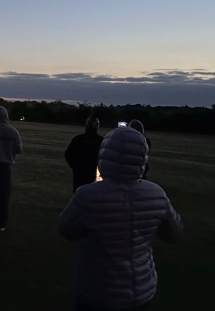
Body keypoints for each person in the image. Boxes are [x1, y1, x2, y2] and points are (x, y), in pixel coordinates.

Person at [59, 127, 183, 311]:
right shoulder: (156, 193)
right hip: (142, 290)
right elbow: (173, 234)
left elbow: (66, 229)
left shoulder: (88, 195)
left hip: (98, 293)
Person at [64, 117, 104, 193]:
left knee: (78, 193)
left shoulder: (78, 139)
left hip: (80, 172)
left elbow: (68, 154)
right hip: (94, 172)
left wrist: (75, 166)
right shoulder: (101, 140)